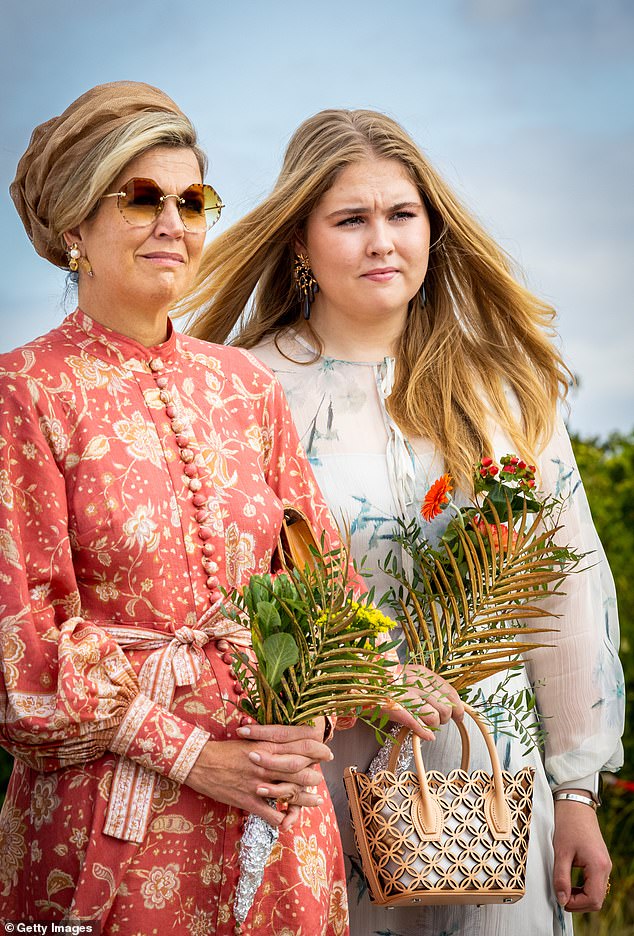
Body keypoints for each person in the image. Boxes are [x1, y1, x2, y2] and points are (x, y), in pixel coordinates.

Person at [184, 108, 625, 936]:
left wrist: (576, 793)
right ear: (299, 242)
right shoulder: (238, 388)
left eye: (402, 214)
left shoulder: (506, 389)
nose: (381, 240)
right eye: (350, 219)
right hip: (317, 774)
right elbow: (216, 594)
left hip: (487, 778)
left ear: (434, 229)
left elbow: (563, 594)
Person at [0, 83, 355, 934]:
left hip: (279, 824)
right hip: (114, 828)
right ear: (74, 228)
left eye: (192, 200)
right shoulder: (25, 390)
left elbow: (325, 590)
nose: (174, 222)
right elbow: (25, 647)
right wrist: (198, 758)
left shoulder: (248, 388)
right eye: (143, 198)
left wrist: (319, 715)